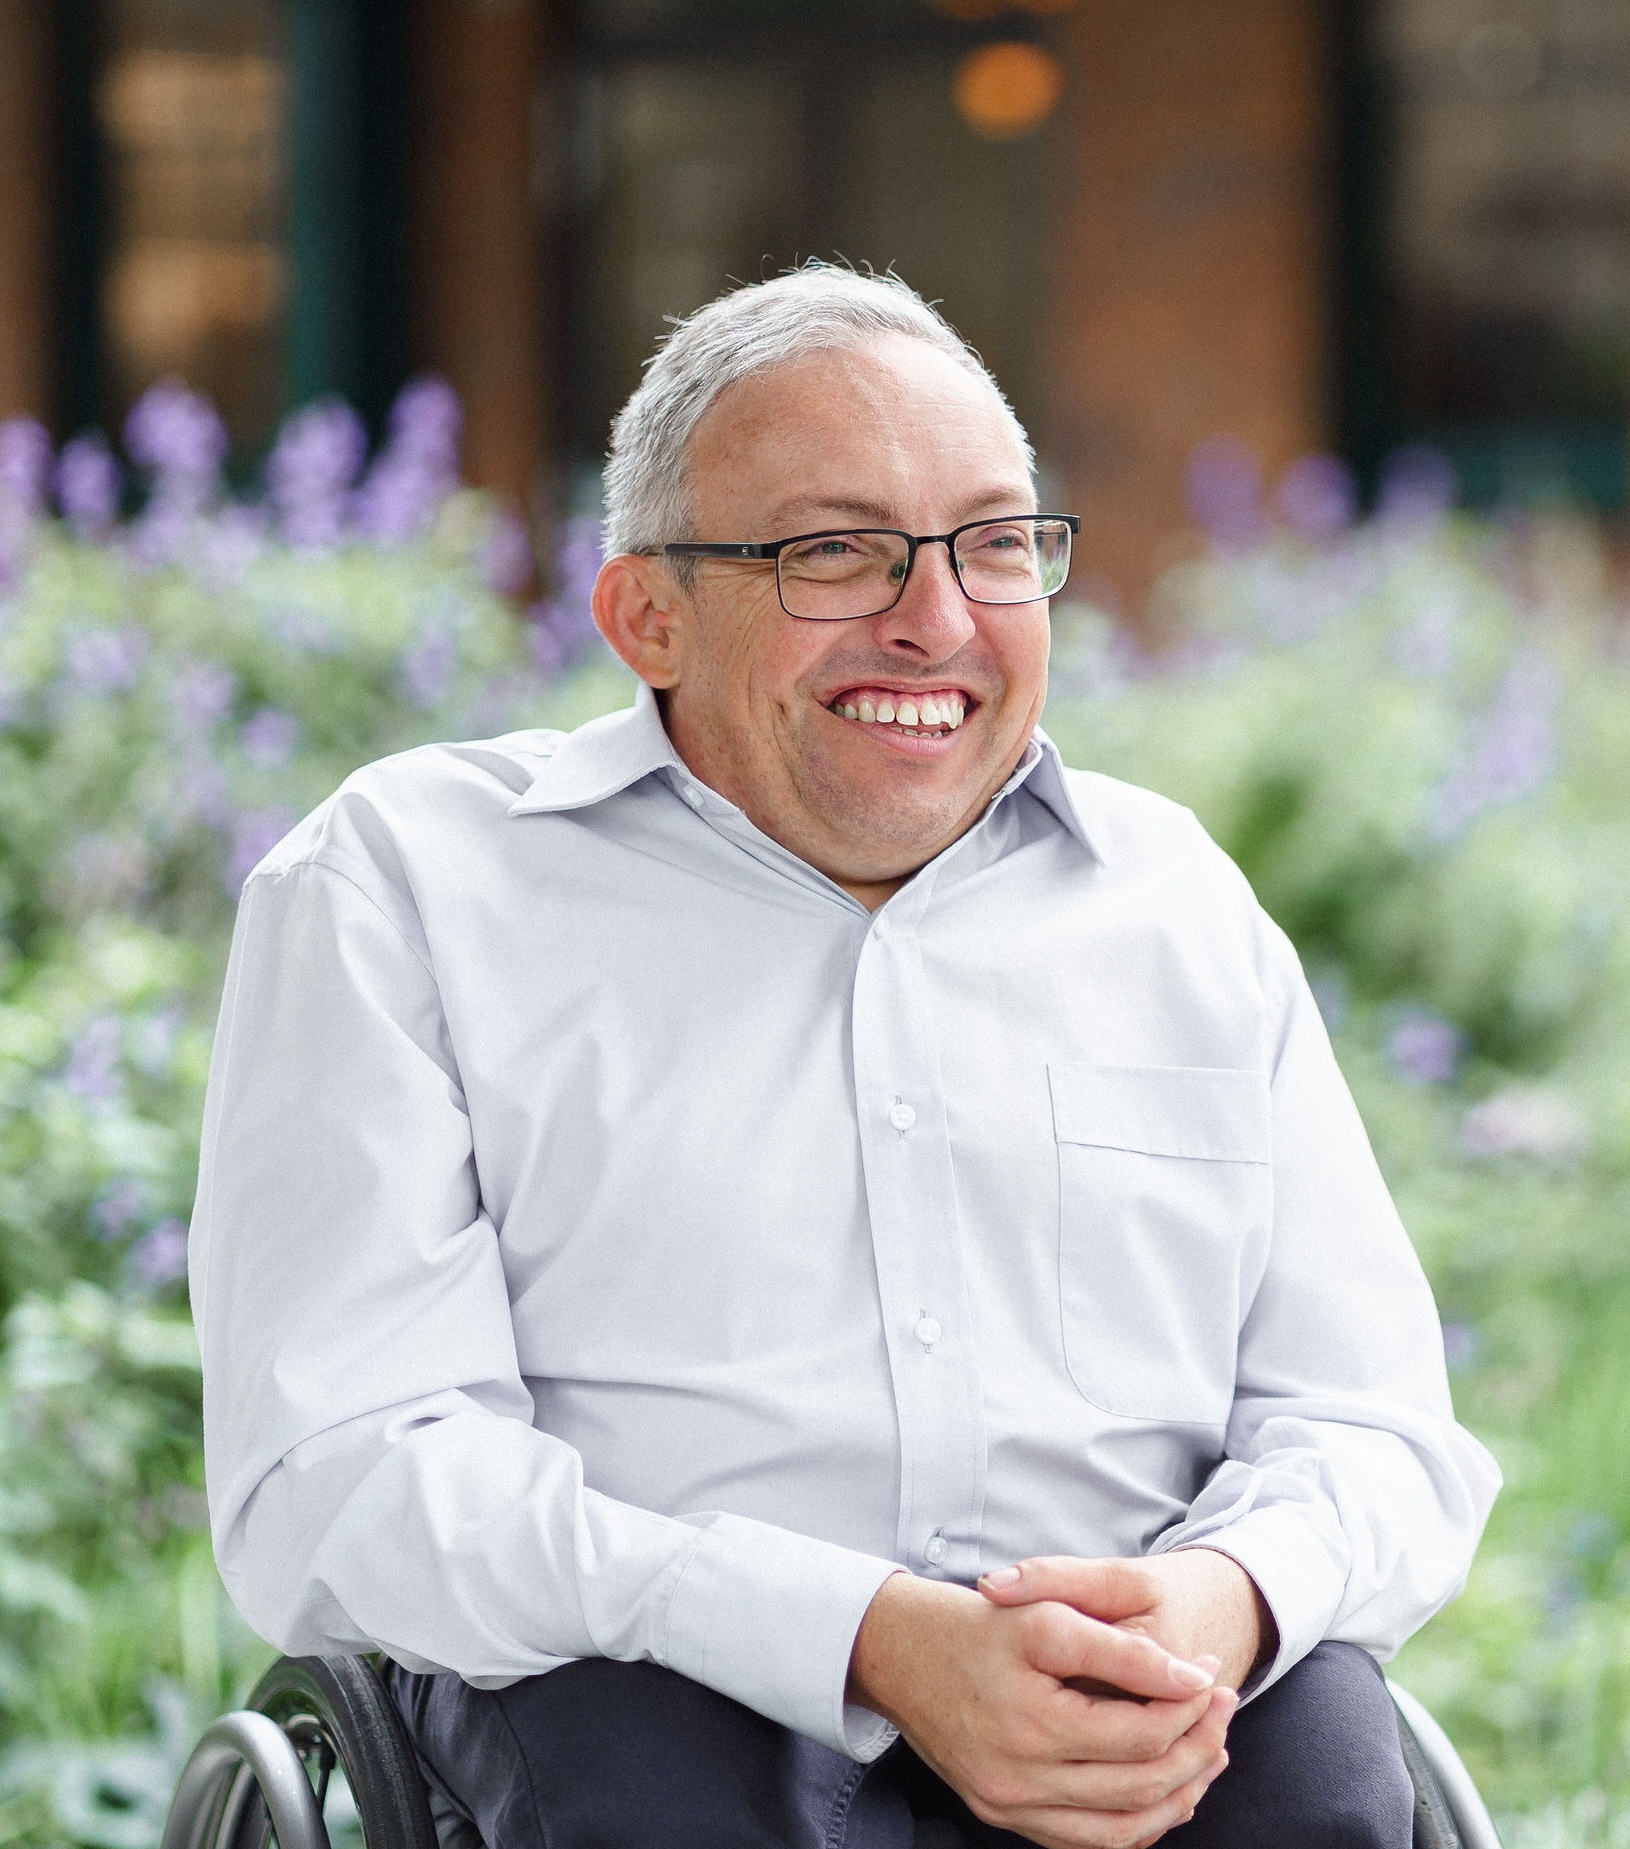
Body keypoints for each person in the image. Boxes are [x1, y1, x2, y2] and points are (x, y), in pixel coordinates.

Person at [191, 266, 1500, 1849]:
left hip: (1147, 1718)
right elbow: (343, 1471)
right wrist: (863, 1635)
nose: (936, 619)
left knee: (1325, 1766)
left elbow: (1374, 1426)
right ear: (645, 614)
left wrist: (1219, 1598)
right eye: (835, 552)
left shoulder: (1173, 908)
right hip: (645, 1694)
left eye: (995, 542)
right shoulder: (405, 885)